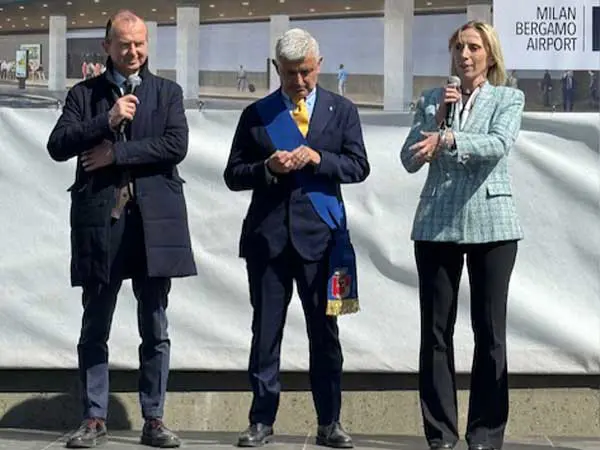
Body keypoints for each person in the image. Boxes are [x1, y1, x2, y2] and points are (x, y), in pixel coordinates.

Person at [47, 10, 196, 449]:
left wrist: (118, 154)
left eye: (140, 44)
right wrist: (105, 121)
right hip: (102, 226)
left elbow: (176, 145)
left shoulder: (167, 92)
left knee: (155, 326)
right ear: (106, 47)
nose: (133, 53)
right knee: (95, 325)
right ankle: (94, 417)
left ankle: (154, 418)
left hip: (153, 226)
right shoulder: (84, 95)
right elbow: (58, 145)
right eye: (124, 45)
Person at [224, 28, 370, 448]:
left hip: (321, 241)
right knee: (265, 333)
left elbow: (359, 166)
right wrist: (267, 167)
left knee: (325, 336)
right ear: (276, 70)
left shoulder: (342, 111)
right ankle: (261, 421)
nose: (300, 81)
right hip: (267, 241)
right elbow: (233, 174)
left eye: (306, 72)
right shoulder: (257, 113)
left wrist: (319, 158)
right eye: (290, 74)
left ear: (319, 65)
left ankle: (330, 422)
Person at [400, 21, 524, 450]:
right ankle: (440, 434)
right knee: (435, 332)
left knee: (490, 332)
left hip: (492, 221)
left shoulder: (509, 97)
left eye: (473, 47)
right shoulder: (434, 99)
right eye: (457, 47)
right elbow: (408, 159)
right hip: (437, 223)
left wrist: (449, 137)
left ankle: (486, 434)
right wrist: (434, 121)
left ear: (489, 55)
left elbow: (497, 144)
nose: (464, 55)